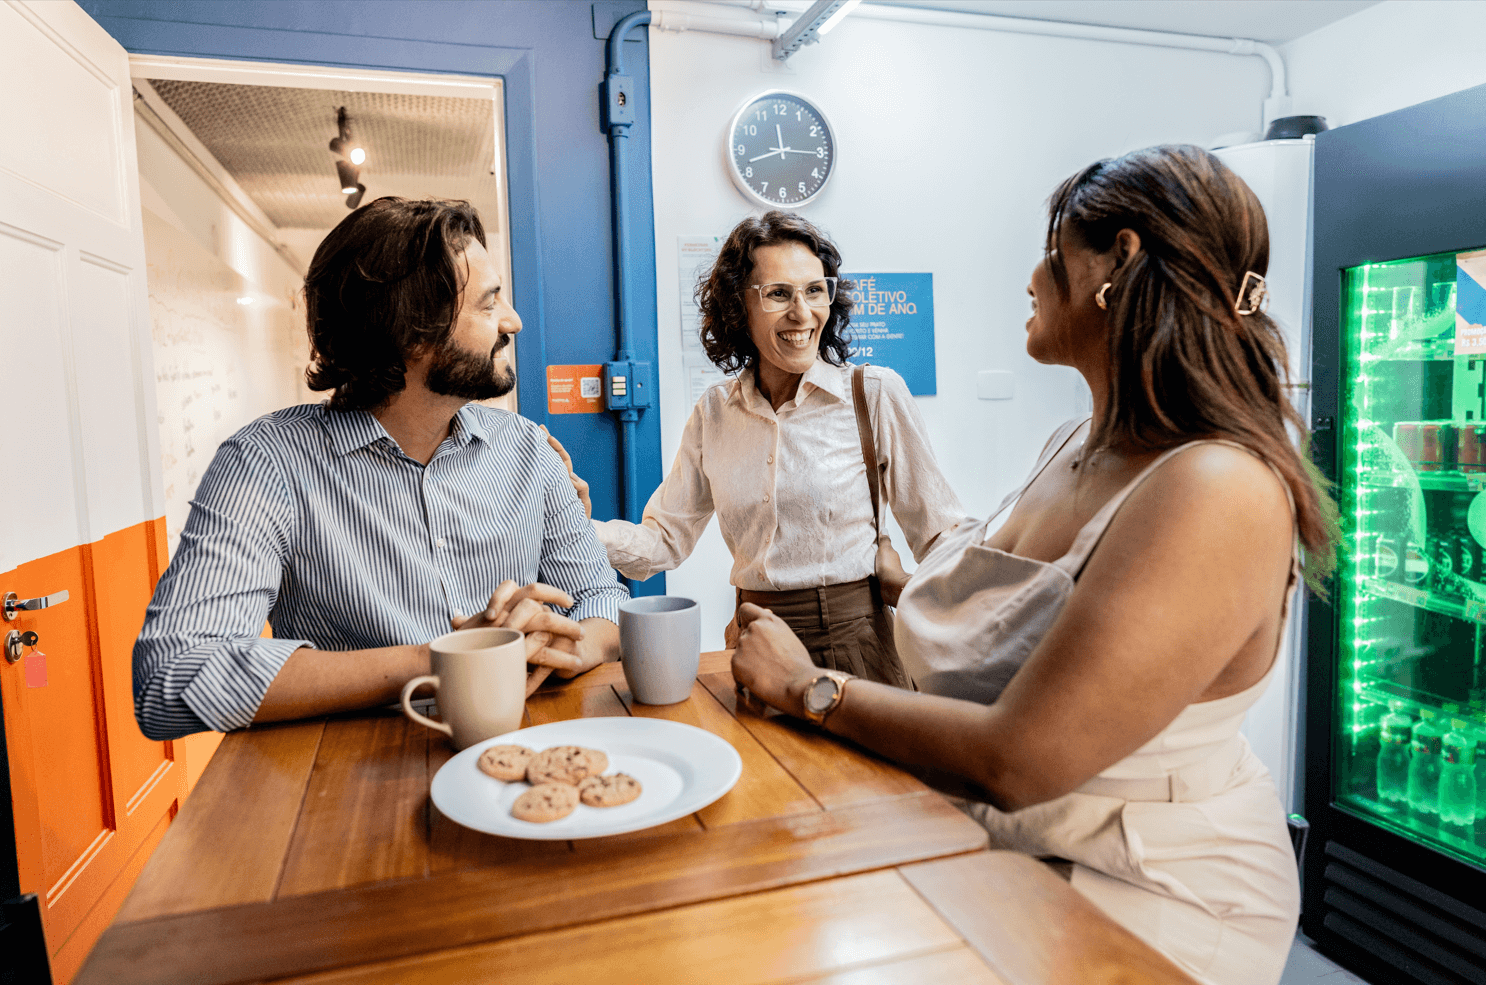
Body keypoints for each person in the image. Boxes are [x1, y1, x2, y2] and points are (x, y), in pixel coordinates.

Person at [730, 146, 1337, 985]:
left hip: (1150, 885)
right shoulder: (1073, 443)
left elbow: (1022, 759)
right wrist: (902, 585)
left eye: (1052, 254)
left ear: (1116, 265)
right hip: (1020, 845)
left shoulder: (1216, 487)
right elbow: (1029, 612)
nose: (1030, 278)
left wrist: (811, 687)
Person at [133, 198, 626, 741]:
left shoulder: (530, 451)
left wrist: (576, 643)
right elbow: (170, 678)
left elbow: (603, 599)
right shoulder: (267, 461)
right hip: (349, 786)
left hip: (526, 753)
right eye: (488, 305)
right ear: (413, 334)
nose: (514, 321)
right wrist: (446, 660)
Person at [547, 211, 964, 686]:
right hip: (753, 645)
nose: (802, 313)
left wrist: (958, 634)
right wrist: (575, 526)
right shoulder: (715, 412)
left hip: (856, 646)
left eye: (814, 290)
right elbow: (664, 541)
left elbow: (941, 534)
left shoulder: (873, 394)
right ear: (738, 309)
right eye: (778, 294)